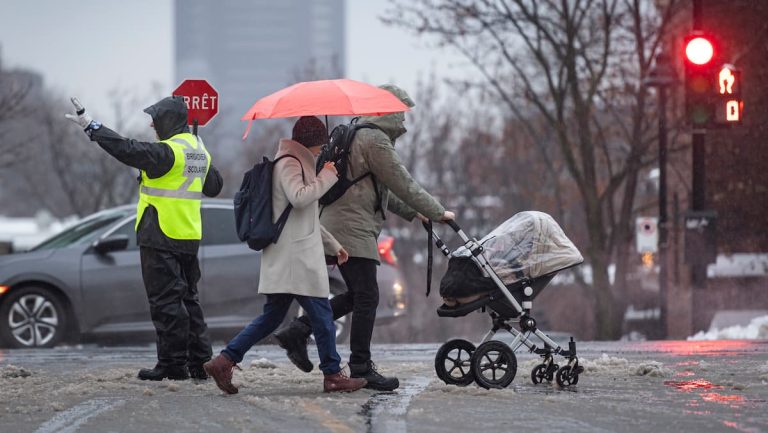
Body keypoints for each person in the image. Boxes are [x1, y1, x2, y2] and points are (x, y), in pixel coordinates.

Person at [274, 85, 455, 391]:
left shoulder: (358, 131)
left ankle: (300, 329)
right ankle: (360, 365)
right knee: (368, 296)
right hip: (351, 228)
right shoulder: (376, 141)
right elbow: (403, 184)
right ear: (390, 111)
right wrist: (438, 211)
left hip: (339, 222)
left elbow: (379, 190)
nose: (404, 120)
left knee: (360, 295)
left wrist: (415, 214)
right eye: (402, 112)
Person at [204, 116, 367, 394]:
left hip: (292, 254)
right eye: (321, 143)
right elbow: (300, 197)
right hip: (296, 258)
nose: (322, 148)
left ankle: (225, 360)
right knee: (323, 316)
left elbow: (306, 217)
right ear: (312, 142)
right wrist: (327, 175)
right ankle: (332, 374)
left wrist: (333, 244)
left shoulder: (298, 161)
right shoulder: (290, 163)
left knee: (272, 317)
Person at [65, 96, 223, 381]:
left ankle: (173, 365)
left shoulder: (169, 152)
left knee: (166, 304)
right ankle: (200, 363)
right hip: (188, 235)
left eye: (156, 119)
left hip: (160, 234)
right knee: (188, 301)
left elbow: (127, 149)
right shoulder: (198, 150)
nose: (152, 124)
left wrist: (92, 126)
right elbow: (215, 186)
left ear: (168, 122)